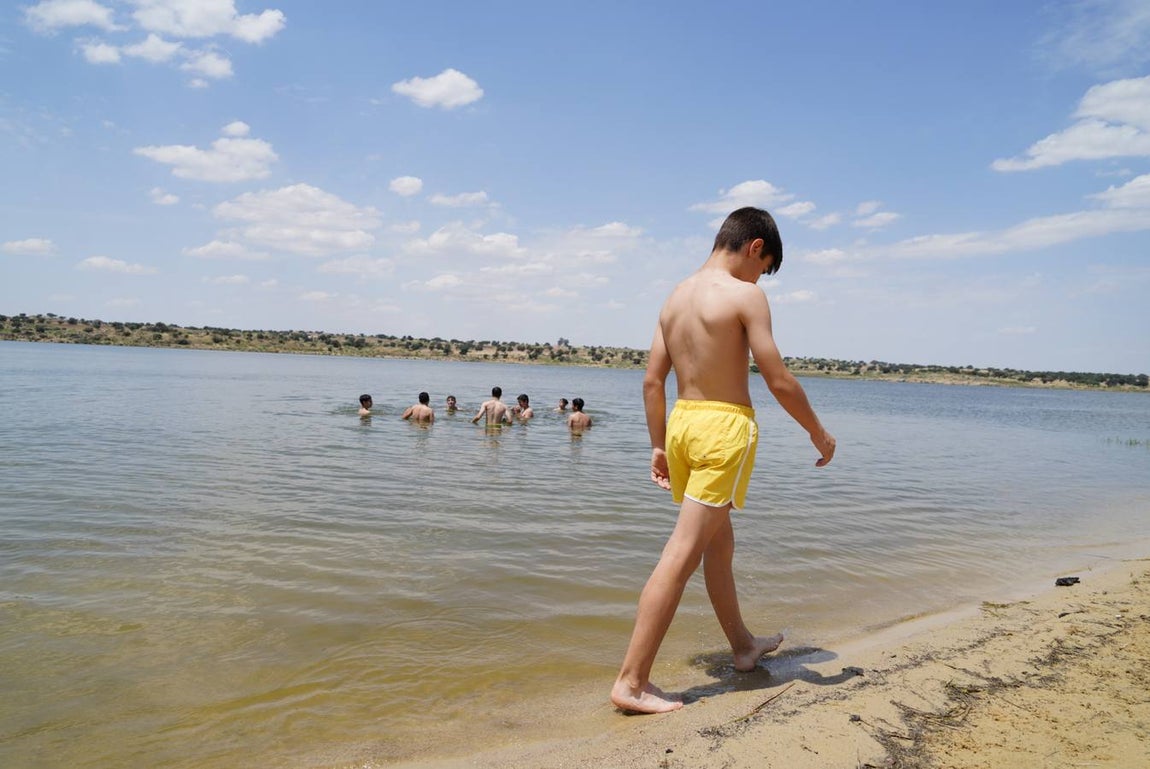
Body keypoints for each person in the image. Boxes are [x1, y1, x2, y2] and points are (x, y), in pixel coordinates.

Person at [610, 206, 836, 715]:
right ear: (755, 247)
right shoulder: (745, 296)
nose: (762, 279)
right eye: (765, 267)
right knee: (683, 553)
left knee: (718, 544)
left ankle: (742, 645)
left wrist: (659, 444)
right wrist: (818, 433)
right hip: (722, 430)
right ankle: (631, 681)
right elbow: (777, 378)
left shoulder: (674, 297)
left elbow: (652, 380)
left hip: (684, 428)